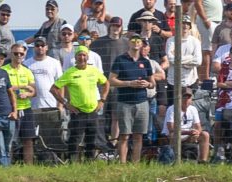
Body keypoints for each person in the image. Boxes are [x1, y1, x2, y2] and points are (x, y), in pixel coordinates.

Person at [51, 43, 109, 158]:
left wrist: (102, 100)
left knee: (91, 141)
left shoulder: (94, 70)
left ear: (87, 57)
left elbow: (106, 83)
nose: (82, 58)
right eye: (79, 55)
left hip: (93, 111)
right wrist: (66, 103)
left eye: (84, 55)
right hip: (78, 112)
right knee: (74, 140)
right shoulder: (70, 72)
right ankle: (72, 163)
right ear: (75, 57)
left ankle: (89, 163)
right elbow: (53, 89)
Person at [109, 30, 154, 161]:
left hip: (142, 102)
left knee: (138, 135)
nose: (136, 43)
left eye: (138, 41)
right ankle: (122, 164)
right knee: (124, 135)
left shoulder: (145, 62)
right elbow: (111, 80)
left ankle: (135, 164)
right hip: (125, 102)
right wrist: (129, 83)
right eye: (133, 41)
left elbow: (153, 83)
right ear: (129, 43)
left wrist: (147, 84)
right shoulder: (120, 59)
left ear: (141, 44)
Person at [25, 34, 63, 153]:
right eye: (37, 45)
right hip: (33, 106)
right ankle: (37, 157)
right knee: (35, 136)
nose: (40, 47)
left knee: (52, 135)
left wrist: (60, 105)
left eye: (42, 45)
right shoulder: (26, 64)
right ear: (34, 47)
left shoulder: (54, 63)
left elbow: (60, 85)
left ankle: (52, 158)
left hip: (51, 106)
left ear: (47, 47)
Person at [3, 42, 37, 162]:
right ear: (11, 54)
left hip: (26, 108)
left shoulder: (27, 71)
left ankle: (29, 167)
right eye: (16, 53)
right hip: (10, 109)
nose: (18, 56)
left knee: (28, 140)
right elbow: (4, 89)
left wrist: (27, 94)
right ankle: (8, 166)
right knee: (10, 140)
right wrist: (23, 86)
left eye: (21, 54)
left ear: (24, 55)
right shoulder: (4, 70)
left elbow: (34, 91)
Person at [163, 86, 211, 158]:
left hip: (189, 135)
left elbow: (198, 127)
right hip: (174, 135)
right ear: (179, 98)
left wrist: (196, 132)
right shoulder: (172, 109)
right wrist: (187, 132)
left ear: (191, 99)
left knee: (205, 135)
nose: (186, 99)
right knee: (173, 135)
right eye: (184, 97)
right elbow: (171, 129)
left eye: (189, 97)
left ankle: (202, 161)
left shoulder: (193, 109)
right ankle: (174, 158)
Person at [165, 15, 203, 90]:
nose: (185, 26)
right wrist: (190, 58)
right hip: (173, 81)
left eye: (187, 24)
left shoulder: (195, 42)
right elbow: (171, 59)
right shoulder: (170, 41)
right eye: (183, 23)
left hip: (191, 81)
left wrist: (179, 60)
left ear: (190, 27)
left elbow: (198, 61)